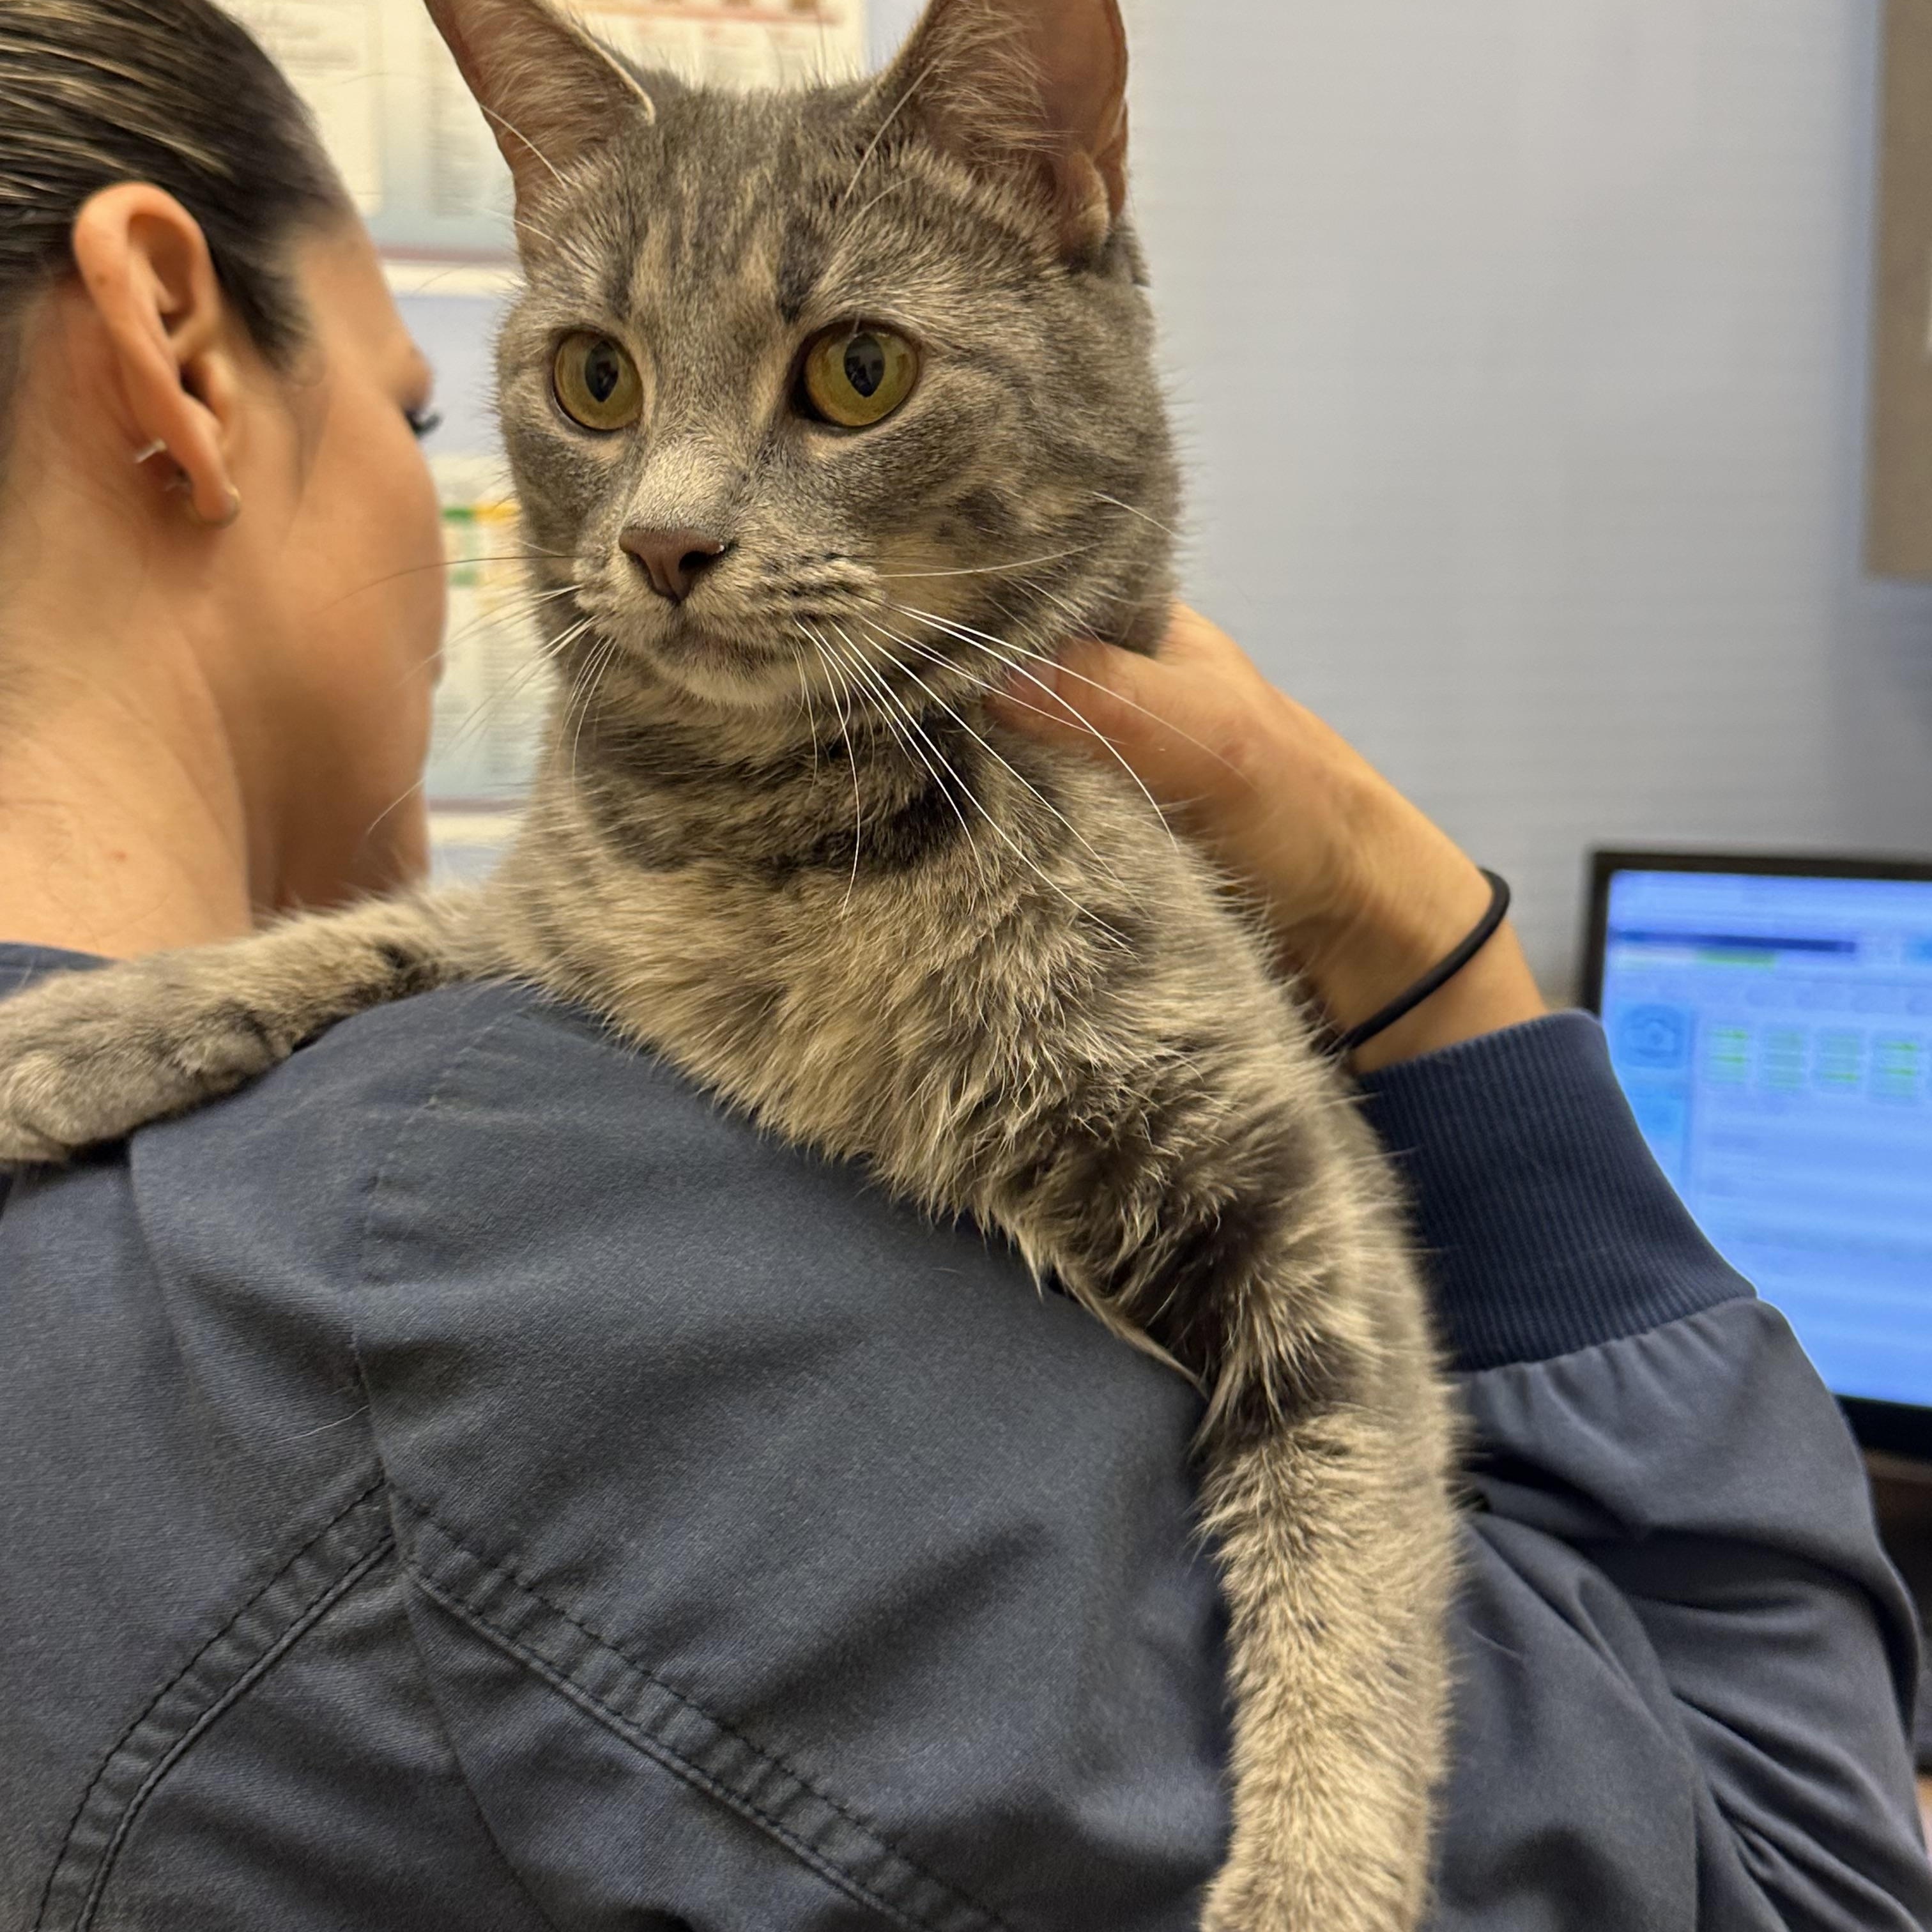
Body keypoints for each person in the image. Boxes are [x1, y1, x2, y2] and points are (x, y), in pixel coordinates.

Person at [1, 4, 1926, 1927]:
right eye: (589, 384)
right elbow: (1810, 1874)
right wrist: (1425, 936)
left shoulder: (189, 1249)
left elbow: (1295, 1329)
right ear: (168, 355)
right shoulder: (487, 1248)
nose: (665, 518)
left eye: (846, 374)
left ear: (1058, 205)